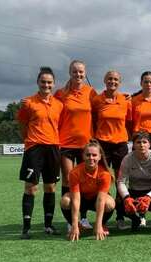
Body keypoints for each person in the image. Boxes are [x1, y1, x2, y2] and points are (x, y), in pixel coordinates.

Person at [17, 66, 63, 239]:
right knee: (31, 187)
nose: (46, 85)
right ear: (38, 82)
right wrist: (29, 140)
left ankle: (48, 225)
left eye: (49, 82)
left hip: (53, 147)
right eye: (43, 82)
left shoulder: (59, 105)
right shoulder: (28, 103)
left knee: (50, 187)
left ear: (53, 84)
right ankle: (26, 228)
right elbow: (22, 124)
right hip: (34, 147)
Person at [55, 60, 97, 230]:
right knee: (68, 179)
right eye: (75, 72)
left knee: (84, 181)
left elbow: (104, 105)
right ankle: (70, 220)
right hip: (66, 144)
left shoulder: (91, 92)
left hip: (85, 145)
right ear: (70, 73)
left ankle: (84, 218)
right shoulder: (61, 93)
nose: (78, 75)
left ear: (85, 74)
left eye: (81, 72)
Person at [91, 70, 132, 230]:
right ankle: (103, 219)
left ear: (119, 82)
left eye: (115, 79)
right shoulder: (97, 100)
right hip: (102, 144)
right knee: (104, 181)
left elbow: (129, 122)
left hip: (121, 144)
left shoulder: (125, 100)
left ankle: (120, 217)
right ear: (104, 80)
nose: (112, 82)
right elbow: (93, 120)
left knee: (121, 181)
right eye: (109, 79)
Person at [60, 140, 116, 241]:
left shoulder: (105, 174)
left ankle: (101, 225)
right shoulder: (75, 172)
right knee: (65, 201)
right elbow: (76, 199)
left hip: (96, 200)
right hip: (81, 199)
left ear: (99, 157)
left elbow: (100, 200)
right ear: (83, 156)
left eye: (94, 155)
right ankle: (77, 226)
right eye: (88, 155)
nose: (91, 158)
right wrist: (74, 225)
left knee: (110, 203)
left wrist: (98, 225)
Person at [116, 130, 151, 232]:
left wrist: (149, 197)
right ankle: (135, 219)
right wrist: (126, 198)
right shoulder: (127, 159)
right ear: (133, 145)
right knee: (119, 203)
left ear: (149, 144)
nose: (141, 145)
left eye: (144, 142)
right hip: (134, 190)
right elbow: (121, 181)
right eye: (138, 142)